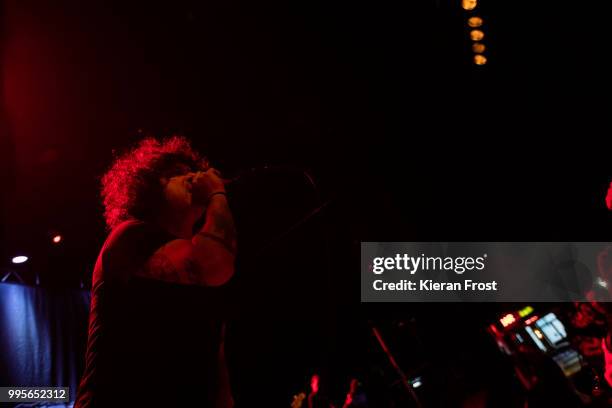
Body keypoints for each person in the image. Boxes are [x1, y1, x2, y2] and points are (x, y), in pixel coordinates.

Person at [74, 136, 236, 407]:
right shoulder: (129, 236)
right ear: (149, 188)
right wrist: (218, 196)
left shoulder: (201, 264)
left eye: (193, 171)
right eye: (176, 174)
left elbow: (215, 358)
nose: (193, 178)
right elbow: (214, 264)